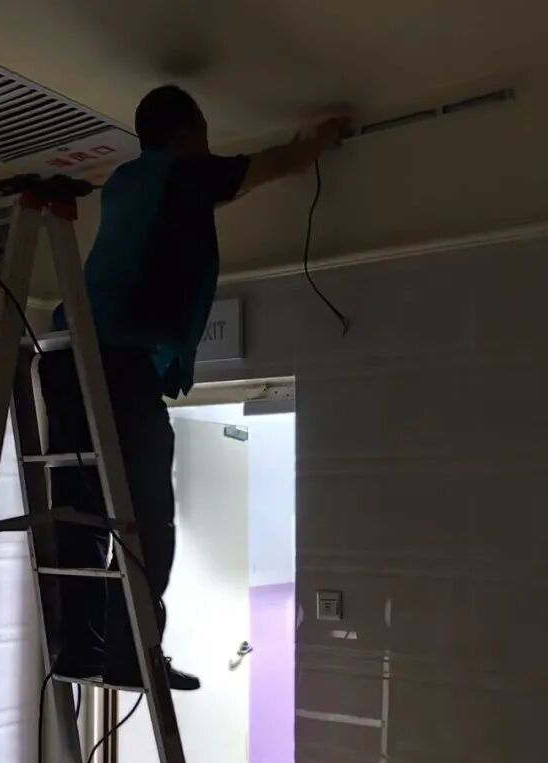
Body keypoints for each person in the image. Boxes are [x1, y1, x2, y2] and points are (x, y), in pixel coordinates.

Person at [40, 85, 350, 690]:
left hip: (67, 358)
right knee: (147, 517)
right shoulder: (180, 174)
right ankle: (130, 654)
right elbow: (267, 167)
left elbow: (220, 192)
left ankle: (80, 648)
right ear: (188, 132)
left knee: (82, 513)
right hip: (117, 363)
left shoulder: (128, 182)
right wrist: (319, 140)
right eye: (203, 131)